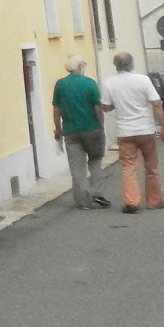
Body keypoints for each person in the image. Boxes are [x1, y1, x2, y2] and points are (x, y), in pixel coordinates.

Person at [101, 51, 164, 214]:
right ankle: (154, 201)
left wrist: (118, 104)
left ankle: (131, 201)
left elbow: (106, 107)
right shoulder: (143, 80)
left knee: (128, 167)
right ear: (132, 64)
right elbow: (156, 104)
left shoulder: (109, 83)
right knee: (151, 167)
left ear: (115, 66)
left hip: (125, 132)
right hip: (145, 130)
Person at [52, 55, 110, 210]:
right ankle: (97, 194)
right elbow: (98, 107)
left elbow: (56, 110)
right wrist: (101, 126)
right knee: (95, 160)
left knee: (77, 167)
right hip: (91, 128)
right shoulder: (89, 83)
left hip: (71, 131)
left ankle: (83, 201)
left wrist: (58, 129)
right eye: (83, 64)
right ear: (79, 66)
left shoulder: (61, 85)